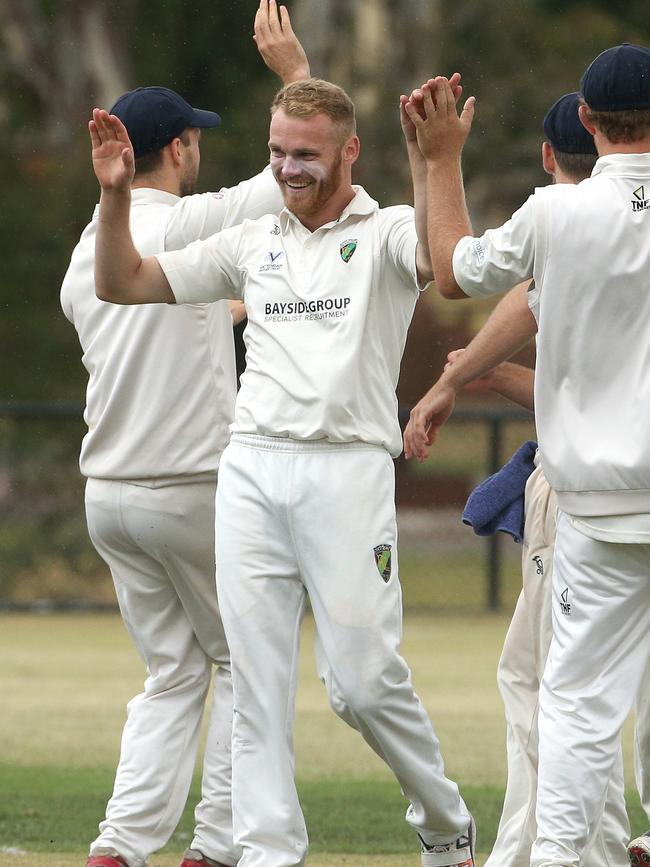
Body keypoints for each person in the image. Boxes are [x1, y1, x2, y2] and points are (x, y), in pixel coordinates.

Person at [87, 73, 476, 867]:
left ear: (349, 151)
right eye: (277, 153)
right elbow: (120, 282)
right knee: (255, 683)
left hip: (347, 473)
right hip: (252, 472)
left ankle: (444, 819)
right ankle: (267, 851)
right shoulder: (251, 238)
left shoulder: (387, 230)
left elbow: (454, 269)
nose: (289, 169)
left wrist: (439, 160)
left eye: (306, 154)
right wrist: (116, 195)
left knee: (359, 685)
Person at [60, 4, 310, 867]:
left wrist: (230, 307)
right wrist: (294, 77)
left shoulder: (89, 246)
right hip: (188, 483)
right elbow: (294, 176)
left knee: (171, 675)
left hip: (110, 494)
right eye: (195, 139)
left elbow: (158, 310)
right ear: (179, 150)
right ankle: (214, 847)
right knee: (248, 663)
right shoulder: (191, 221)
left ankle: (120, 846)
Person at [403, 44, 650, 867]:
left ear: (585, 120)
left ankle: (558, 855)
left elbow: (454, 272)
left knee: (575, 700)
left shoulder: (556, 213)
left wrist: (441, 160)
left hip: (600, 503)